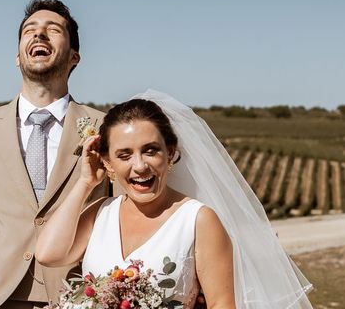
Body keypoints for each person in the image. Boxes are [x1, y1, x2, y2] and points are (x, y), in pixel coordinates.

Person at [36, 90, 313, 309]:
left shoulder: (198, 219)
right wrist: (86, 183)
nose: (140, 166)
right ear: (107, 162)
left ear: (170, 153)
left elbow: (221, 304)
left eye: (151, 150)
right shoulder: (101, 213)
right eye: (124, 155)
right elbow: (49, 254)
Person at [0, 0, 110, 308]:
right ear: (18, 56)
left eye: (52, 29)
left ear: (74, 57)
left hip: (76, 294)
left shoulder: (105, 127)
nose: (39, 35)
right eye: (30, 30)